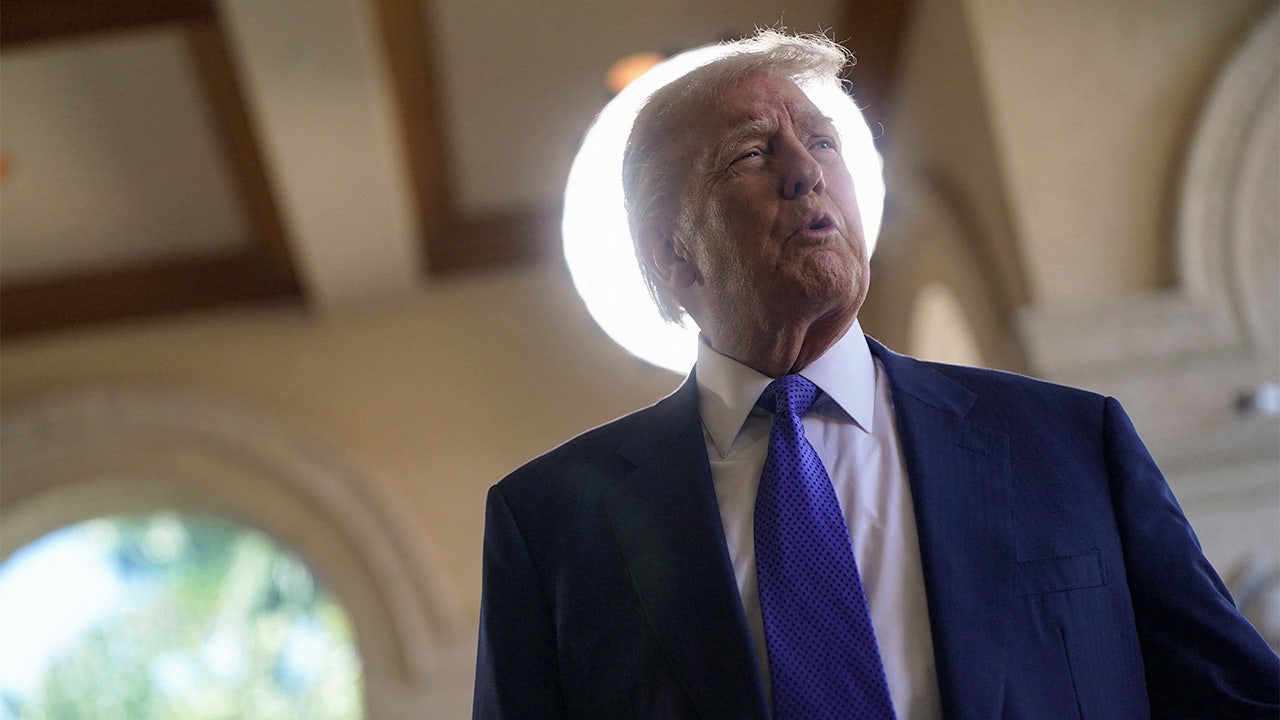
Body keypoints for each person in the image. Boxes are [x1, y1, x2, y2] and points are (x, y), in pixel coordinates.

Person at [472, 30, 1279, 719]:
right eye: (751, 153)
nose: (806, 172)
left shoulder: (1070, 441)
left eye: (823, 142)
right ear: (671, 255)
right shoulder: (551, 527)